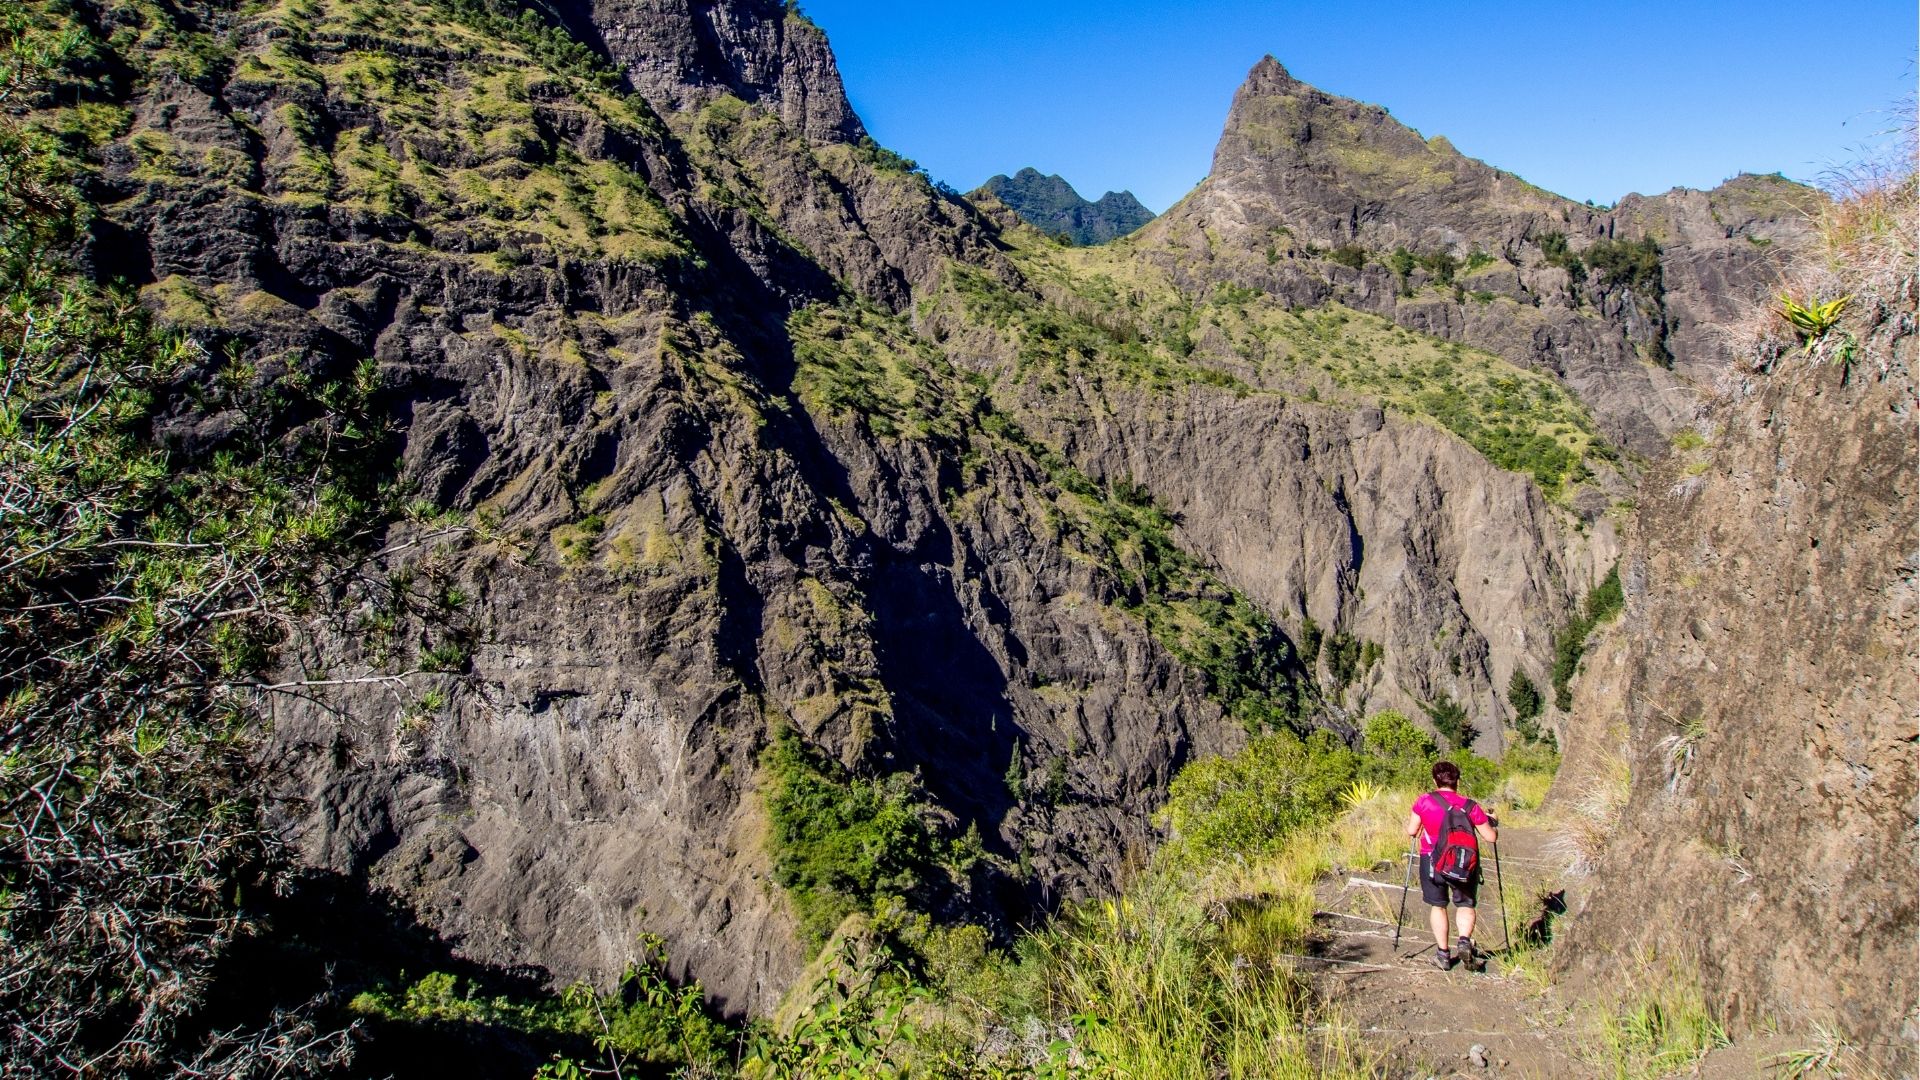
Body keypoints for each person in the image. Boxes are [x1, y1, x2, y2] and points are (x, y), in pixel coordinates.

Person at [1407, 760, 1498, 970]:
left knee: (1438, 906)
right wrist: (1492, 822)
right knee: (1465, 904)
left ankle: (1443, 954)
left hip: (1432, 860)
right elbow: (1490, 837)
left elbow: (1412, 831)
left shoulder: (1424, 801)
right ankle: (1464, 941)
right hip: (1464, 863)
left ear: (1435, 780)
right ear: (1457, 781)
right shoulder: (1470, 806)